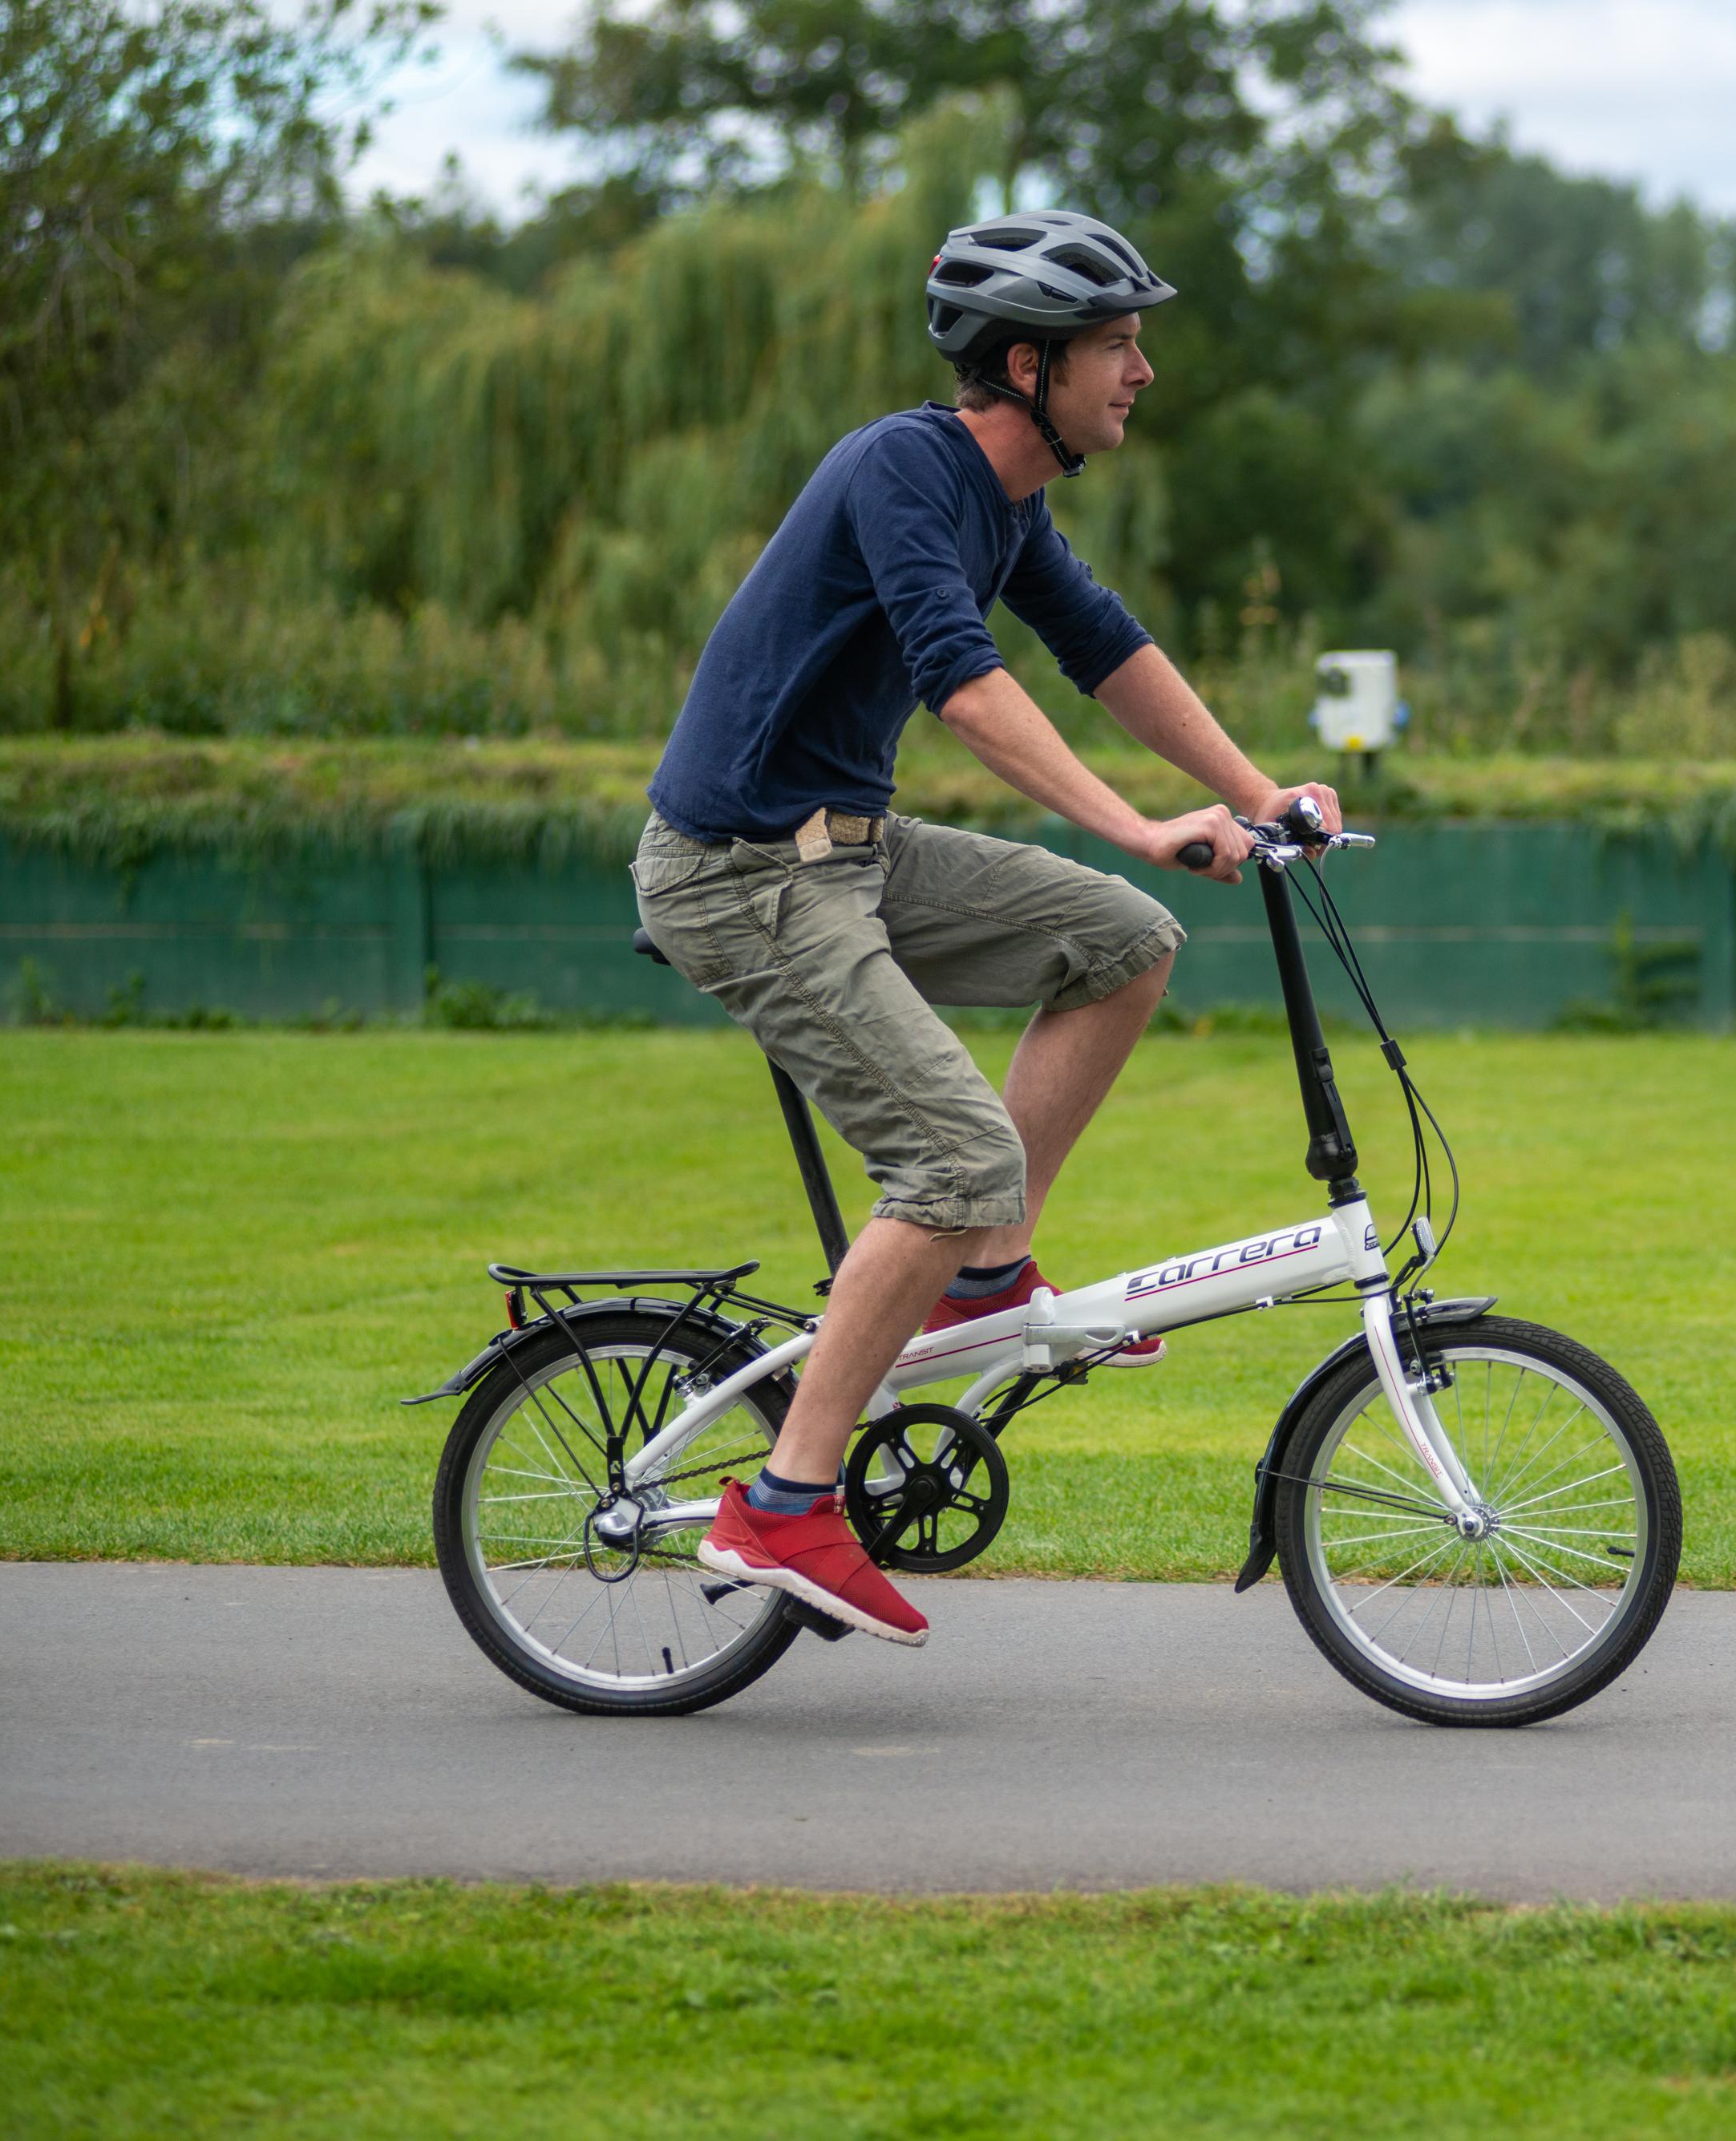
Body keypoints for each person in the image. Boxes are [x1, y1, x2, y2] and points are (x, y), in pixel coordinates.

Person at [632, 210, 1340, 1647]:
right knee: (954, 1154)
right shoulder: (904, 468)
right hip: (737, 871)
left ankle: (982, 1281)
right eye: (1118, 346)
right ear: (1028, 365)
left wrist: (1261, 796)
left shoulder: (1006, 504)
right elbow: (965, 684)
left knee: (1122, 941)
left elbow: (1104, 649)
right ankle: (781, 1499)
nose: (1142, 370)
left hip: (847, 851)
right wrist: (1142, 820)